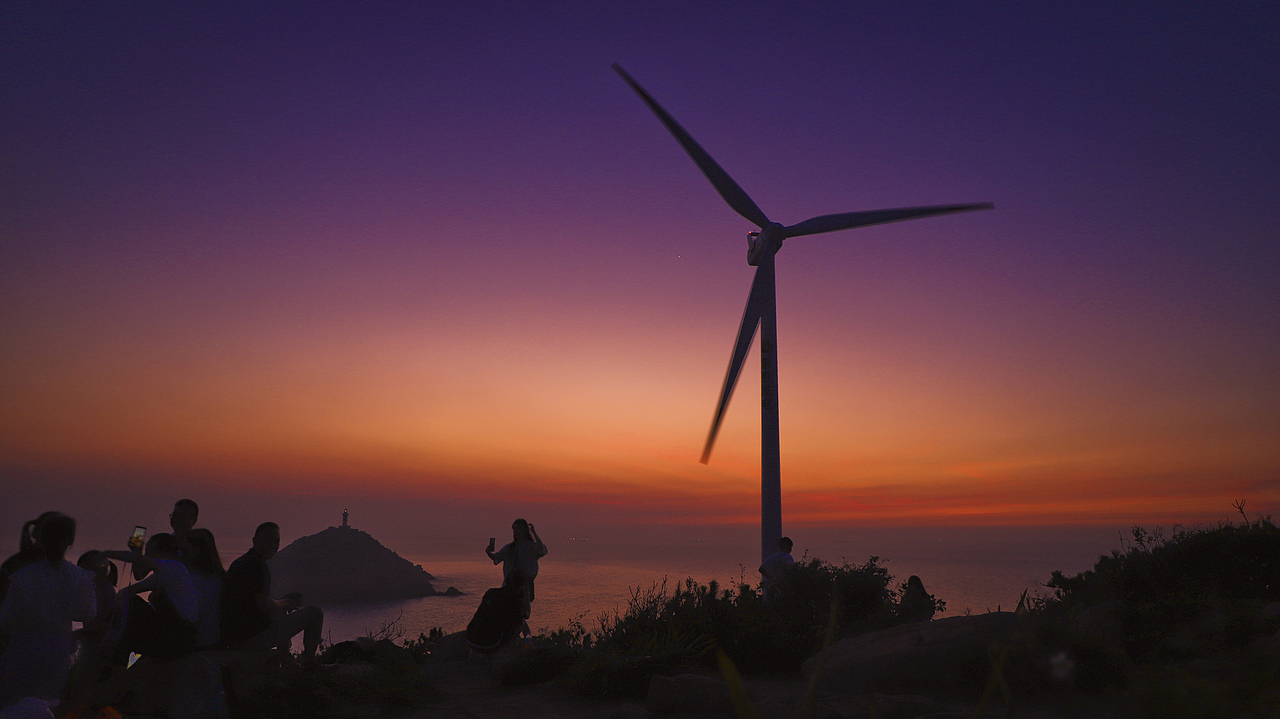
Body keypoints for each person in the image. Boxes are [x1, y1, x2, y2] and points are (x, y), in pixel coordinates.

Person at [0, 513, 97, 709]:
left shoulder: (23, 576)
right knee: (48, 705)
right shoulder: (80, 577)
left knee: (14, 703)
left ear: (42, 539)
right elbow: (88, 613)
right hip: (58, 650)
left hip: (23, 647)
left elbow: (7, 618)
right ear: (69, 541)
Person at [221, 522, 323, 660]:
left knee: (279, 612)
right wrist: (285, 603)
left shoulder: (241, 562)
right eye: (268, 539)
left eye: (277, 541)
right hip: (252, 638)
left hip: (234, 637)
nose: (273, 545)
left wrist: (281, 604)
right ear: (255, 540)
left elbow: (253, 604)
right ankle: (309, 664)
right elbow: (264, 604)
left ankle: (286, 660)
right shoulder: (258, 566)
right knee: (315, 612)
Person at [100, 533, 200, 662]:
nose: (146, 556)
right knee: (127, 600)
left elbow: (138, 561)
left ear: (162, 553)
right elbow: (137, 577)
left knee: (132, 604)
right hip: (175, 633)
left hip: (181, 637)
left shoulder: (175, 567)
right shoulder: (160, 576)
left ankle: (118, 655)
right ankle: (118, 652)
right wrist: (136, 550)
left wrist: (106, 554)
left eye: (148, 552)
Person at [485, 519, 546, 643]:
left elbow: (541, 549)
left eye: (518, 529)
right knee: (514, 614)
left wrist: (534, 532)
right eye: (514, 529)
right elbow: (496, 557)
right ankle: (524, 637)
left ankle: (523, 637)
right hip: (509, 585)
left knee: (519, 614)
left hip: (524, 585)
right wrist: (488, 552)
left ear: (524, 530)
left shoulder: (530, 546)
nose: (515, 532)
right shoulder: (510, 547)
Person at [184, 528, 225, 649]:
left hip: (196, 641)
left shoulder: (190, 578)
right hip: (213, 639)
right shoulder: (220, 577)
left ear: (196, 550)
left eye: (185, 549)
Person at [758, 536, 795, 604]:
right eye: (790, 547)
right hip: (784, 587)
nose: (791, 550)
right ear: (787, 546)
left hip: (772, 588)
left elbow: (761, 569)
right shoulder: (788, 557)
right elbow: (793, 570)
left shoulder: (773, 557)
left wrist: (772, 578)